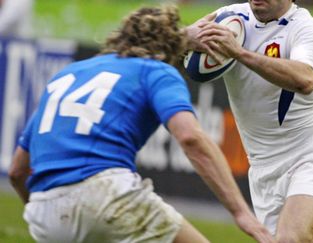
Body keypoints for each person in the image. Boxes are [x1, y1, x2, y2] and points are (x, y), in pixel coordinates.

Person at [8, 5, 274, 243]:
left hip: (43, 212)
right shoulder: (156, 71)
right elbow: (191, 138)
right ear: (172, 45)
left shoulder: (69, 73)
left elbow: (18, 171)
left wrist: (53, 212)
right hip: (104, 194)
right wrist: (241, 213)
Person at [186, 1, 313, 242]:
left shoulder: (304, 27)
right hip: (262, 168)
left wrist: (239, 53)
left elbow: (306, 79)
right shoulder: (231, 16)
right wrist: (187, 36)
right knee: (302, 238)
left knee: (290, 238)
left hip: (309, 156)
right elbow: (173, 39)